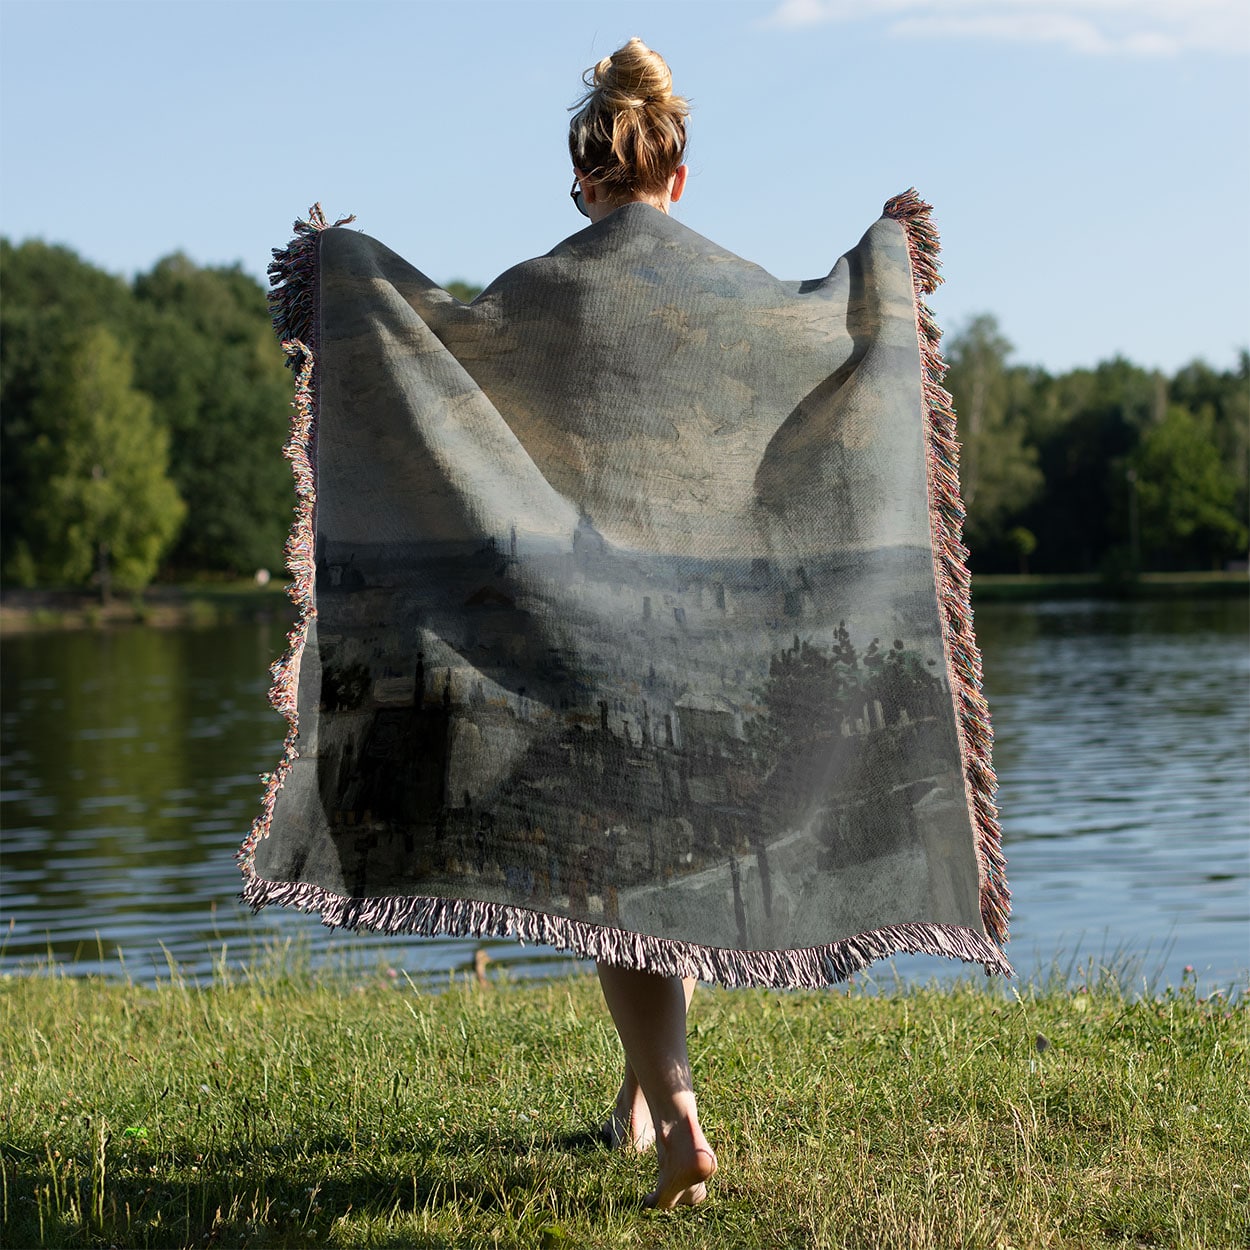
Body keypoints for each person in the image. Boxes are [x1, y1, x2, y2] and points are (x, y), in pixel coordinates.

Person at [566, 37, 717, 1212]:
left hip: (587, 615)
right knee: (660, 865)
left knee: (609, 882)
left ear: (586, 182)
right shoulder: (725, 291)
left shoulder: (548, 287)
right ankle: (633, 1100)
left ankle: (677, 1117)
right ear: (675, 176)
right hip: (703, 619)